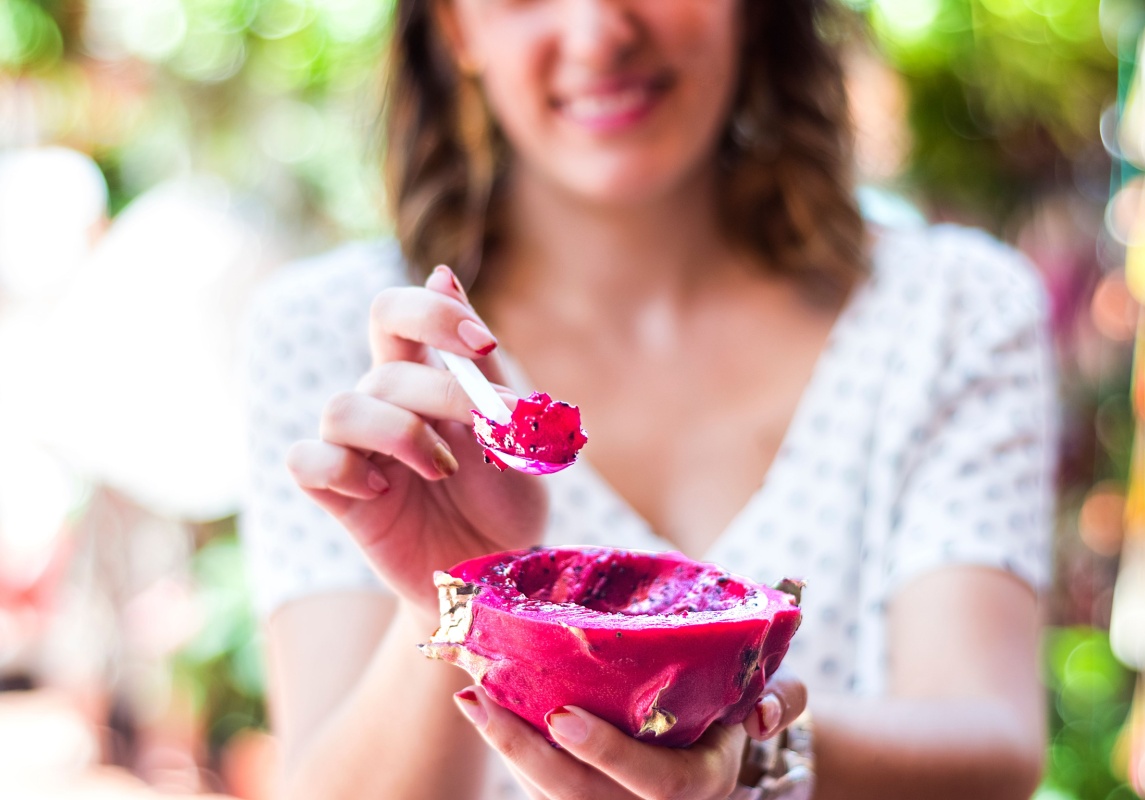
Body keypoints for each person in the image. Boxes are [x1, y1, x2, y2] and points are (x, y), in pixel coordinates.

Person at [240, 0, 1056, 797]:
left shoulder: (952, 310)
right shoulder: (332, 340)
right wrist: (455, 600)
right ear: (454, 23)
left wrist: (745, 749)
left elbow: (991, 746)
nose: (600, 32)